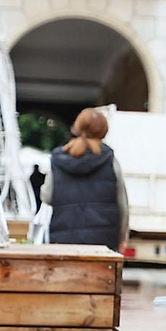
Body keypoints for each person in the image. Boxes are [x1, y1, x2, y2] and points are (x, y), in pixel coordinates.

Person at [43, 107, 128, 250]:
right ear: (104, 131)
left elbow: (46, 196)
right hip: (103, 243)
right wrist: (122, 237)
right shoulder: (111, 161)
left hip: (64, 242)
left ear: (77, 127)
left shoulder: (58, 159)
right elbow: (122, 205)